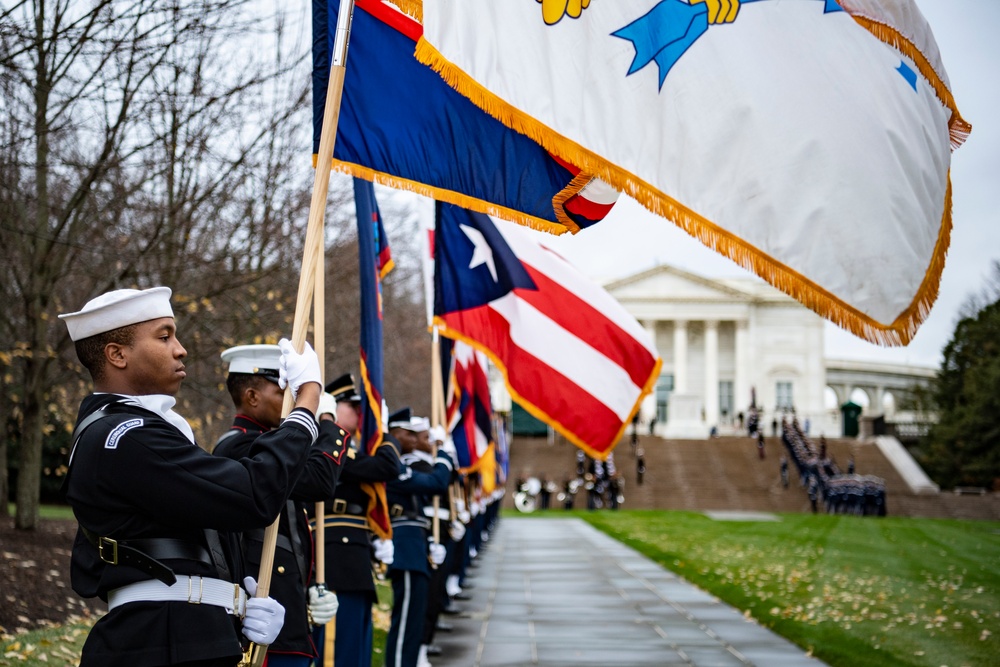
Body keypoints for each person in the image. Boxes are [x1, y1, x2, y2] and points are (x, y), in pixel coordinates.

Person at [59, 286, 321, 667]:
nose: (180, 349)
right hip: (161, 640)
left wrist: (236, 598)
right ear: (117, 355)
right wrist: (306, 404)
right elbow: (252, 494)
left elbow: (195, 532)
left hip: (181, 634)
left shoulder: (141, 430)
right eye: (164, 336)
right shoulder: (127, 436)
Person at [214, 345, 349, 667]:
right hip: (265, 623)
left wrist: (312, 588)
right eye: (282, 391)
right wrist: (326, 420)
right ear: (252, 397)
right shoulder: (239, 447)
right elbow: (320, 479)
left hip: (287, 612)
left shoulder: (268, 445)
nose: (290, 400)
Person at [310, 373, 401, 667]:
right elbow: (388, 465)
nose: (362, 414)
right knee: (339, 649)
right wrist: (384, 432)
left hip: (354, 554)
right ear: (333, 407)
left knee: (358, 646)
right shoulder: (328, 449)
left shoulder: (348, 449)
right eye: (354, 406)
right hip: (335, 555)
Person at [384, 409, 452, 667]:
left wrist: (430, 543)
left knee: (414, 619)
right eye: (408, 434)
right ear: (394, 433)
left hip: (415, 545)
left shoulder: (400, 464)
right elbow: (436, 483)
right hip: (405, 548)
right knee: (405, 622)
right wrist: (444, 453)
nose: (414, 439)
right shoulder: (393, 466)